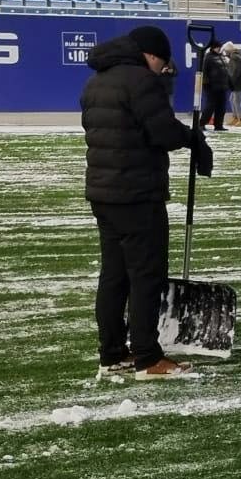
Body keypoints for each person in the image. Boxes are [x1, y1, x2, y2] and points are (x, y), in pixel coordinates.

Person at [80, 26, 212, 381]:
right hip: (137, 194)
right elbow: (164, 133)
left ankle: (112, 354)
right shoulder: (141, 81)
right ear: (151, 55)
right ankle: (147, 358)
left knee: (114, 275)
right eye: (162, 63)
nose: (162, 70)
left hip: (103, 192)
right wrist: (192, 138)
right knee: (145, 276)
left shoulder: (97, 81)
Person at [200, 46, 231, 132]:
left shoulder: (222, 57)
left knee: (221, 107)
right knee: (210, 106)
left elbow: (226, 71)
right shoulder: (208, 57)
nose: (219, 49)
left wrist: (228, 83)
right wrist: (206, 84)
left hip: (222, 86)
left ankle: (218, 125)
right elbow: (204, 72)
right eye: (217, 47)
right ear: (213, 48)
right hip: (212, 86)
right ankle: (202, 124)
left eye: (220, 47)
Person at [225, 47, 241, 127]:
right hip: (237, 82)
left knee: (237, 101)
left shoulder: (235, 57)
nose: (225, 54)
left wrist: (231, 81)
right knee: (232, 100)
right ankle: (235, 117)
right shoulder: (235, 57)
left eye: (226, 52)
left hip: (238, 83)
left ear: (228, 51)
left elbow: (236, 71)